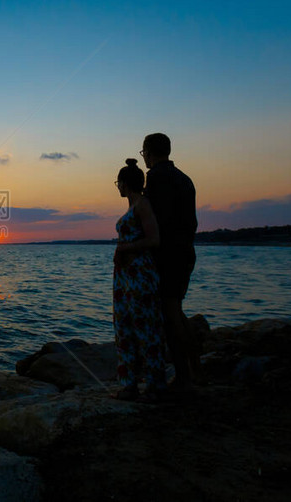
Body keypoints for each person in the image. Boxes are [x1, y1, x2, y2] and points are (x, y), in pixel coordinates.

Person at [141, 133, 200, 389]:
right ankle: (195, 371)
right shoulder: (184, 179)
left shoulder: (155, 177)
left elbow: (154, 220)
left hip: (168, 255)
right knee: (176, 310)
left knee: (170, 314)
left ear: (148, 152)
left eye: (144, 153)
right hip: (185, 252)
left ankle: (184, 378)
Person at [112, 158, 166, 401]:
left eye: (118, 183)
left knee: (145, 328)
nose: (118, 187)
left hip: (139, 275)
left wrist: (126, 248)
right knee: (124, 328)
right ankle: (129, 384)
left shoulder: (143, 205)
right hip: (125, 277)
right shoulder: (132, 207)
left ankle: (155, 385)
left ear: (125, 183)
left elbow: (155, 239)